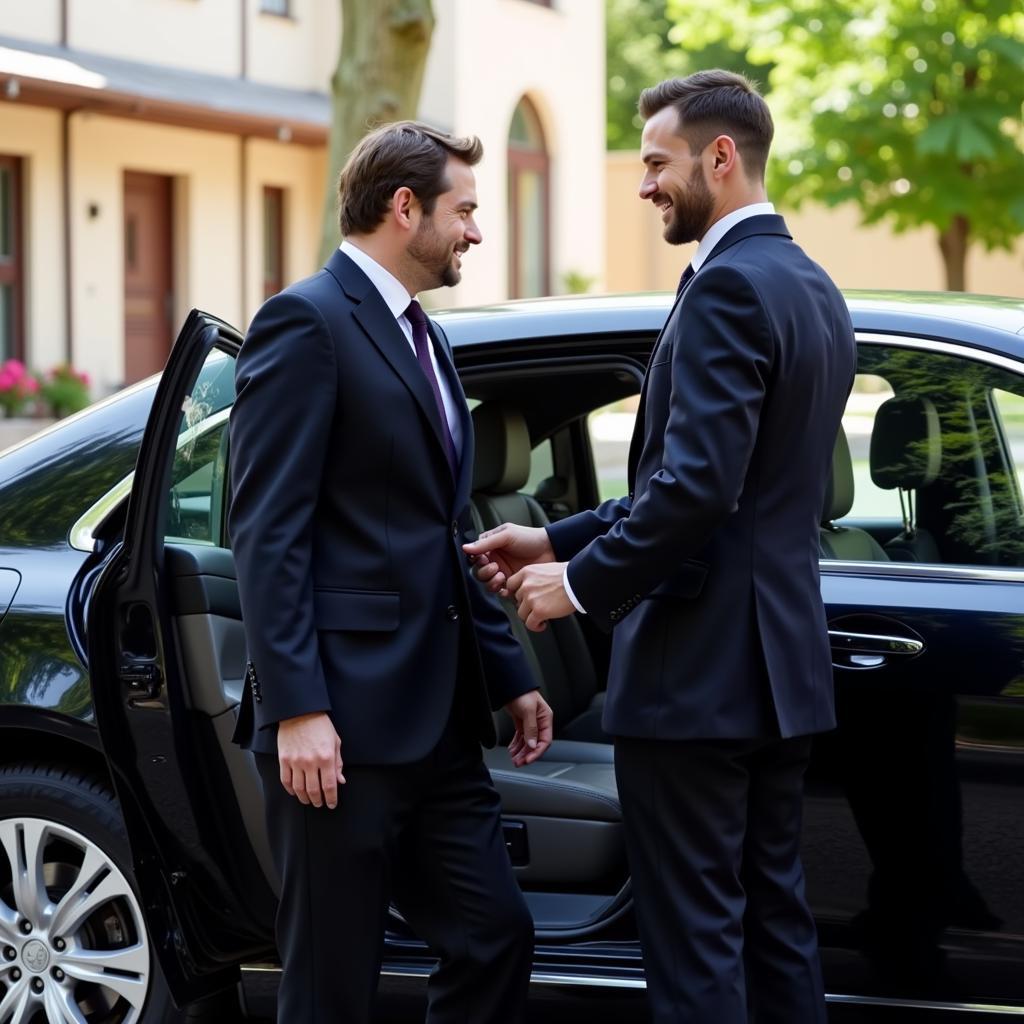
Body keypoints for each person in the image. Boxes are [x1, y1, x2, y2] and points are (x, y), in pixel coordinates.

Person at [464, 71, 856, 1023]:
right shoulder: (812, 284)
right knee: (773, 927)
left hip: (694, 686)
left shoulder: (726, 289)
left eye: (655, 164)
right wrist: (551, 532)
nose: (644, 186)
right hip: (777, 677)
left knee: (694, 947)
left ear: (720, 158)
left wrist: (577, 585)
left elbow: (694, 491)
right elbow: (726, 492)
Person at [228, 120, 552, 1024]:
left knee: (495, 937)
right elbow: (267, 528)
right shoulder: (306, 322)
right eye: (466, 211)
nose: (477, 233)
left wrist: (512, 674)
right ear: (404, 208)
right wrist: (297, 707)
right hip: (337, 728)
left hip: (439, 723)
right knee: (332, 983)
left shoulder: (427, 338)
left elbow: (444, 530)